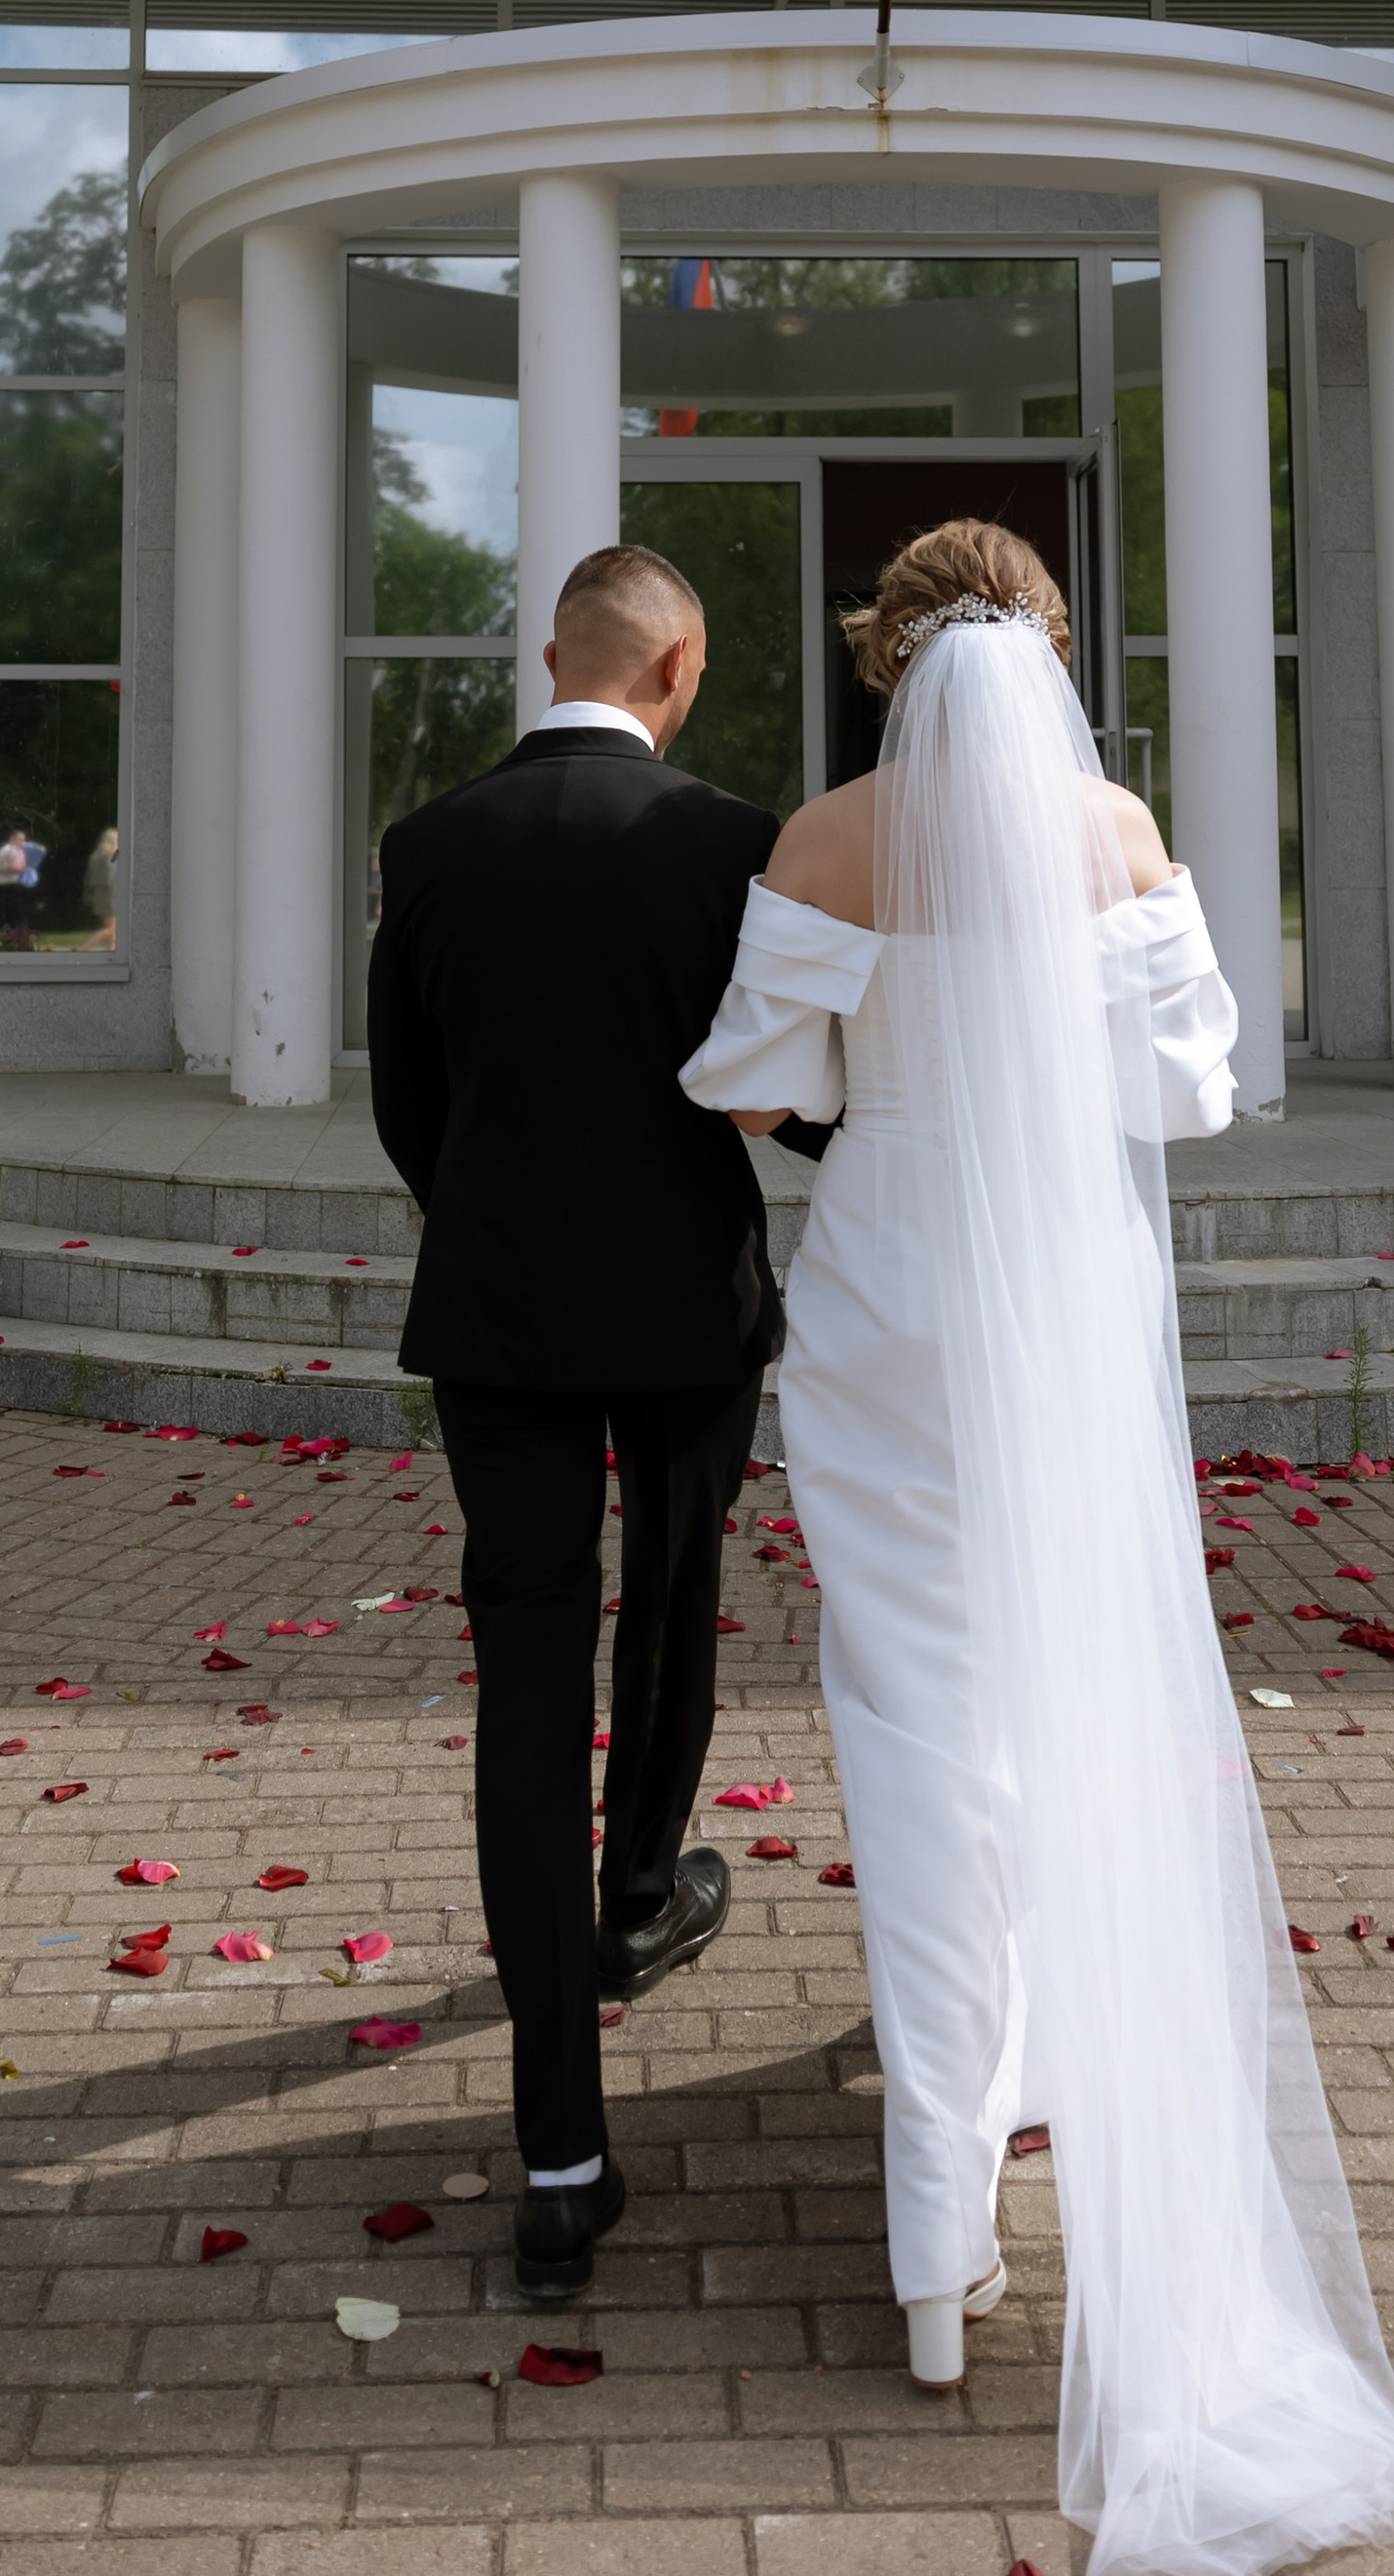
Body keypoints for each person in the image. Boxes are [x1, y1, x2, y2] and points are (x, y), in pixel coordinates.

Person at [680, 519, 1394, 2576]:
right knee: (1072, 1705)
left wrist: (866, 1113)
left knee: (914, 1722)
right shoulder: (1119, 826)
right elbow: (1190, 1088)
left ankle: (931, 2252)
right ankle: (1046, 2096)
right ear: (1048, 656)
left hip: (886, 1310)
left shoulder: (822, 832)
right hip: (1064, 1301)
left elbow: (739, 1084)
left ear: (887, 657)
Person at [369, 541, 795, 2304]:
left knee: (527, 1677)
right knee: (675, 1604)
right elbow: (779, 1089)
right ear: (678, 667)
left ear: (547, 655)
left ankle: (559, 2151)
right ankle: (635, 1898)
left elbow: (412, 1110)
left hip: (499, 1310)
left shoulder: (430, 843)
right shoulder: (728, 841)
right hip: (686, 1309)